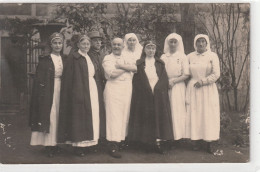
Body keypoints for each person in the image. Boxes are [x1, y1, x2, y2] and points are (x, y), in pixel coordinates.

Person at [58, 34, 104, 157]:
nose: (86, 46)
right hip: (78, 89)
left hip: (91, 88)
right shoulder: (74, 57)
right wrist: (74, 92)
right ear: (78, 45)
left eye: (88, 44)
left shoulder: (89, 57)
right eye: (83, 44)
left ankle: (90, 144)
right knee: (80, 116)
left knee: (92, 115)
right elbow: (68, 77)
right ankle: (79, 146)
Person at [128, 40, 174, 154]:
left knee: (158, 117)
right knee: (146, 117)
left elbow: (164, 78)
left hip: (158, 94)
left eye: (153, 48)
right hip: (144, 95)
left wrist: (157, 89)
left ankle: (158, 143)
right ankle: (146, 143)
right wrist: (146, 89)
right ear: (144, 49)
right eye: (148, 48)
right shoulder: (139, 63)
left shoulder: (160, 63)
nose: (151, 50)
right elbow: (136, 80)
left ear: (155, 50)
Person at [29, 32, 64, 157]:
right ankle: (49, 145)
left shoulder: (64, 58)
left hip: (61, 88)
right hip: (48, 90)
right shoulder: (45, 59)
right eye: (55, 43)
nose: (57, 45)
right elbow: (39, 79)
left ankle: (55, 143)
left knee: (59, 115)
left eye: (60, 43)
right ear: (51, 44)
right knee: (51, 115)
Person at [186, 34, 220, 154]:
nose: (201, 44)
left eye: (203, 42)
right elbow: (185, 72)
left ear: (207, 43)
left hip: (208, 89)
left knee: (208, 114)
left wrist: (204, 81)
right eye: (198, 42)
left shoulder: (212, 56)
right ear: (195, 43)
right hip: (193, 88)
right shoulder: (189, 56)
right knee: (195, 114)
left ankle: (209, 141)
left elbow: (216, 74)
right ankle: (196, 140)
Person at [102, 38, 137, 158]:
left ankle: (120, 141)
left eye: (119, 44)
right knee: (114, 116)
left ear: (123, 46)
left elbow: (135, 68)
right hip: (114, 89)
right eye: (114, 44)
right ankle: (112, 145)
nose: (117, 46)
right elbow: (112, 74)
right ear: (111, 45)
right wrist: (126, 68)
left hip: (126, 89)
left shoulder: (126, 56)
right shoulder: (108, 58)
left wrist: (120, 66)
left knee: (124, 115)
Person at [161, 33, 190, 141]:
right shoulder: (164, 56)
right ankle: (167, 137)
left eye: (175, 42)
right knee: (167, 110)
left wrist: (174, 81)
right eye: (171, 42)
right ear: (168, 43)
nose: (172, 44)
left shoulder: (182, 56)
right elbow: (160, 72)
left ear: (178, 43)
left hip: (178, 86)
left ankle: (178, 136)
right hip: (165, 85)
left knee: (177, 110)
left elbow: (186, 74)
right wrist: (166, 82)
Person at [87, 31, 106, 145]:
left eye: (99, 40)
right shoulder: (88, 55)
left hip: (103, 85)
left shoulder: (103, 54)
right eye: (95, 40)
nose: (98, 42)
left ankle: (101, 137)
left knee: (102, 111)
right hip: (93, 85)